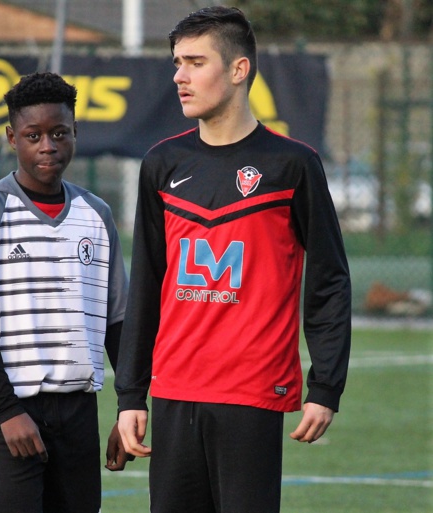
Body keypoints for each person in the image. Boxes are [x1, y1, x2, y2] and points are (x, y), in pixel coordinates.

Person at [115, 6, 351, 513]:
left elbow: (329, 281)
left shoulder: (293, 164)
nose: (179, 76)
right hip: (174, 389)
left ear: (239, 69)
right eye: (177, 62)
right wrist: (131, 395)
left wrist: (326, 385)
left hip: (252, 391)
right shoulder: (161, 163)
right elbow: (147, 285)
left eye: (196, 62)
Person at [0, 71, 131, 513]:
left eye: (59, 133)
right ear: (12, 138)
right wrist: (7, 412)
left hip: (78, 410)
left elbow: (116, 321)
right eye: (33, 135)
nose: (48, 146)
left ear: (75, 134)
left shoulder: (96, 215)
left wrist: (128, 407)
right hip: (10, 412)